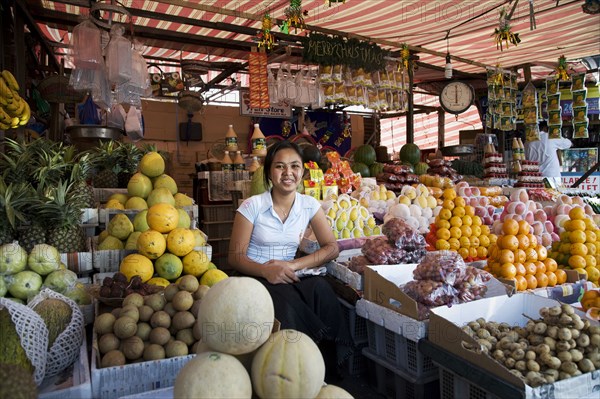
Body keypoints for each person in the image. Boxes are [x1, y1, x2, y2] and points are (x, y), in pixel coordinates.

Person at [228, 140, 352, 379]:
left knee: (321, 290)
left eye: (294, 166)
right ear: (269, 172)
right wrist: (265, 271)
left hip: (288, 271)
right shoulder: (252, 206)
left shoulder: (309, 205)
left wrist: (293, 265)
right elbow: (235, 258)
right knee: (285, 302)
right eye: (280, 166)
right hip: (253, 275)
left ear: (302, 172)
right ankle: (299, 370)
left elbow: (331, 248)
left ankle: (328, 367)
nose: (288, 173)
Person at [525, 120, 572, 187]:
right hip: (551, 176)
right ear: (545, 128)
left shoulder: (528, 141)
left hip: (534, 178)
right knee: (554, 196)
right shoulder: (551, 137)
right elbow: (569, 144)